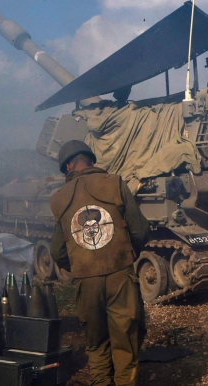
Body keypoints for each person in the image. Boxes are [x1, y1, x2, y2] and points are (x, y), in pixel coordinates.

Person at [49, 140, 149, 386]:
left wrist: (81, 267)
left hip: (87, 282)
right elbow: (140, 231)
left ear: (68, 166)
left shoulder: (59, 198)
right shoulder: (114, 183)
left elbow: (57, 251)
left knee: (97, 344)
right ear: (91, 161)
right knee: (125, 343)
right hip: (120, 276)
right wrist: (126, 256)